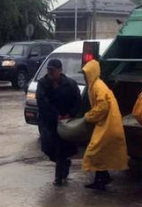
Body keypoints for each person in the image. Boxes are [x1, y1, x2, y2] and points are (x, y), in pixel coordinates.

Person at [81, 59, 128, 190]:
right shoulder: (95, 85)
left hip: (108, 124)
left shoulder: (98, 86)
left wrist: (89, 117)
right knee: (100, 152)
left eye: (85, 74)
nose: (84, 77)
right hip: (107, 122)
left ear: (91, 73)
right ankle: (101, 179)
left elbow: (103, 106)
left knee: (93, 151)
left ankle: (102, 178)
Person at [36, 58, 81, 186]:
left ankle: (58, 178)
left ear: (60, 71)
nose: (50, 73)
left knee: (61, 150)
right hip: (48, 122)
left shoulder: (70, 84)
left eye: (53, 70)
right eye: (48, 70)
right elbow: (42, 102)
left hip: (65, 123)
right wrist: (55, 116)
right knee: (48, 148)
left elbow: (77, 100)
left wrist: (70, 115)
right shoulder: (42, 83)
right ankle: (64, 164)